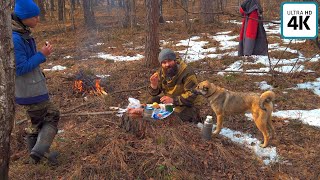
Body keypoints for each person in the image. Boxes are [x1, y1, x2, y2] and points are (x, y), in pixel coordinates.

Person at [12, 0, 60, 164]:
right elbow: (20, 68)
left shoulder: (21, 32)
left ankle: (36, 158)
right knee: (52, 114)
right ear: (24, 17)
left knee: (34, 122)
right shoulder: (15, 38)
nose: (38, 19)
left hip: (30, 87)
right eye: (35, 16)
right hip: (29, 89)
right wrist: (42, 54)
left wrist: (40, 54)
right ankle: (39, 153)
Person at [148, 48, 202, 123]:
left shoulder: (187, 72)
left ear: (175, 60)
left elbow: (192, 95)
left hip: (188, 105)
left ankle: (194, 118)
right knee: (151, 102)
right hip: (172, 102)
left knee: (171, 118)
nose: (167, 64)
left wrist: (173, 100)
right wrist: (154, 85)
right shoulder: (161, 72)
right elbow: (155, 93)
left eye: (169, 61)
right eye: (164, 62)